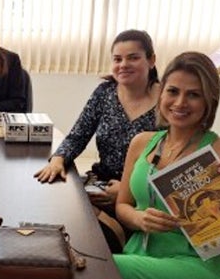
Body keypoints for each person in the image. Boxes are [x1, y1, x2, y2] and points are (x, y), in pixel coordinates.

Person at [113, 51, 220, 279]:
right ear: (161, 93)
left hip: (200, 272)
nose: (180, 103)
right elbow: (122, 206)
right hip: (141, 259)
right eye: (173, 91)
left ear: (209, 101)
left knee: (97, 273)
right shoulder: (142, 143)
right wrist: (140, 219)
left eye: (193, 95)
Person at [33, 29, 160, 251]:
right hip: (102, 185)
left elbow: (174, 158)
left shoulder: (168, 100)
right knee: (52, 213)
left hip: (143, 196)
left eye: (133, 58)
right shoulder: (105, 93)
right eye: (117, 59)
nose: (123, 65)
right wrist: (58, 159)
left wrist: (127, 191)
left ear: (151, 60)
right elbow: (78, 134)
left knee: (92, 241)